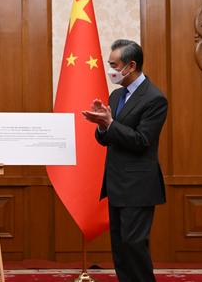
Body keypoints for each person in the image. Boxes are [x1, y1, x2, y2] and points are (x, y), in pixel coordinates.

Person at [82, 39, 167, 282]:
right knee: (120, 248)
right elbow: (108, 139)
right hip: (116, 184)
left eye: (113, 65)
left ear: (130, 66)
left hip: (139, 186)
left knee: (134, 245)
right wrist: (101, 126)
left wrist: (110, 124)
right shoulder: (117, 95)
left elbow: (142, 141)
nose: (110, 70)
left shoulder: (154, 98)